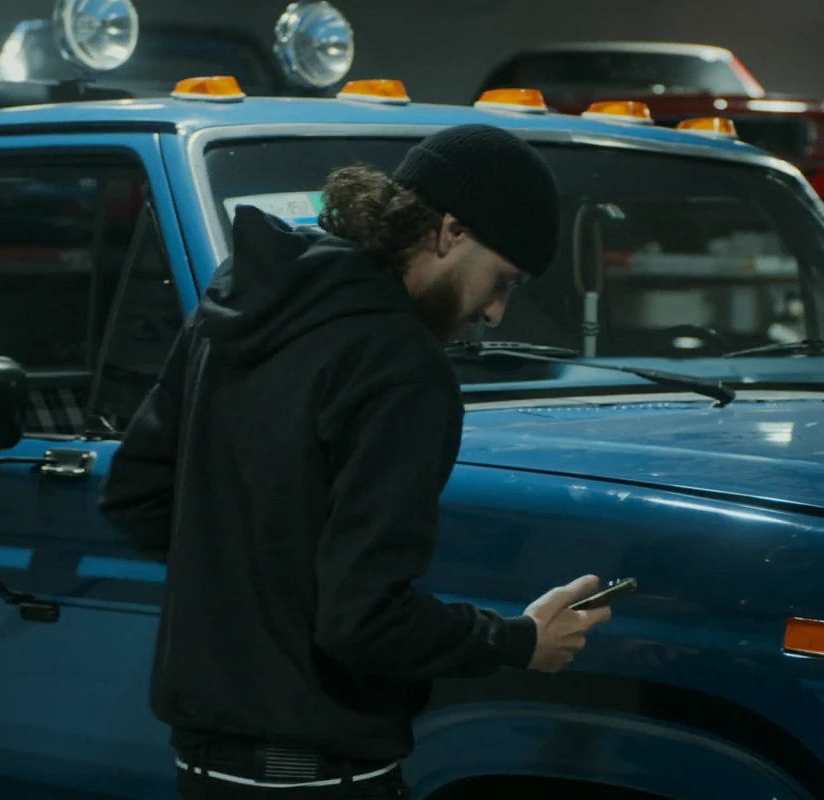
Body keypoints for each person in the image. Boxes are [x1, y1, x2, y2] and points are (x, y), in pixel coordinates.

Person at [98, 124, 613, 799]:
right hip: (321, 775)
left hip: (205, 768)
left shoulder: (238, 301)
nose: (494, 312)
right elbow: (365, 621)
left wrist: (253, 595)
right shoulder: (403, 369)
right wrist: (516, 641)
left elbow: (135, 496)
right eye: (502, 280)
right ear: (450, 231)